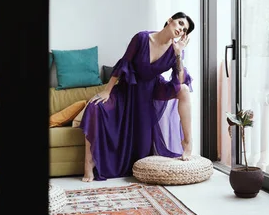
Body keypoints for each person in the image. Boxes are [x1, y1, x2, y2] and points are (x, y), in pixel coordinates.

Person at [80, 12, 195, 182]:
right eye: (179, 23)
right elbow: (123, 63)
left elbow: (179, 81)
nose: (180, 29)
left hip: (153, 88)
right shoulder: (142, 38)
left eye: (184, 29)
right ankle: (89, 163)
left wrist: (178, 53)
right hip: (129, 88)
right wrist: (107, 90)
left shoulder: (175, 51)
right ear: (170, 21)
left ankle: (187, 141)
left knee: (184, 90)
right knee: (94, 107)